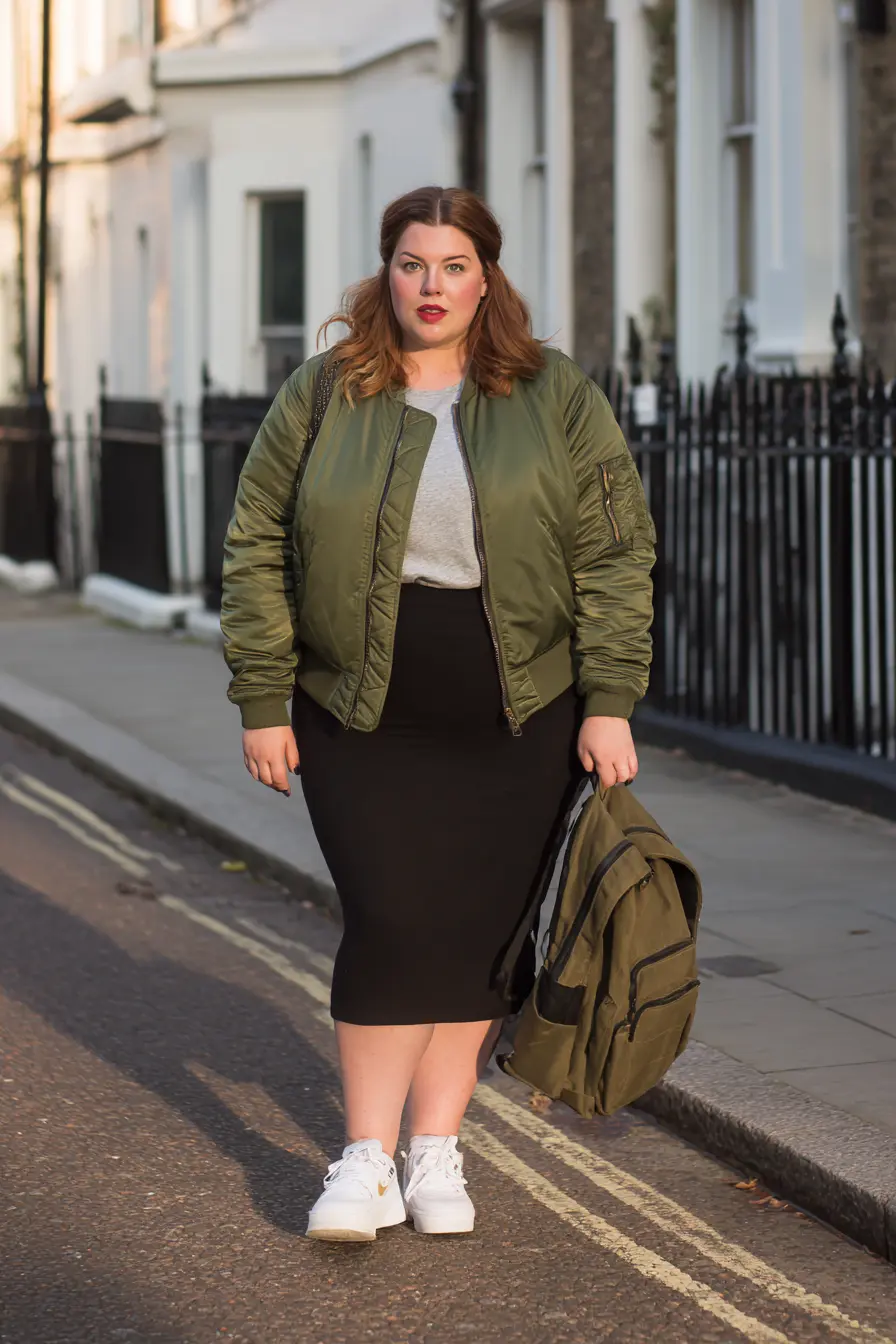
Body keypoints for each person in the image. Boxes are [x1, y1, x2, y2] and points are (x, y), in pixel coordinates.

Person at [220, 185, 655, 1243]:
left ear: (486, 277)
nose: (431, 286)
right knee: (390, 920)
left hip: (521, 713)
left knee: (475, 934)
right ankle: (364, 1159)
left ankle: (436, 1151)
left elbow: (611, 553)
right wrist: (262, 697)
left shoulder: (552, 397)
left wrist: (606, 703)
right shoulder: (325, 393)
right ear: (386, 270)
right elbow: (255, 547)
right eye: (412, 264)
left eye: (453, 266)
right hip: (356, 709)